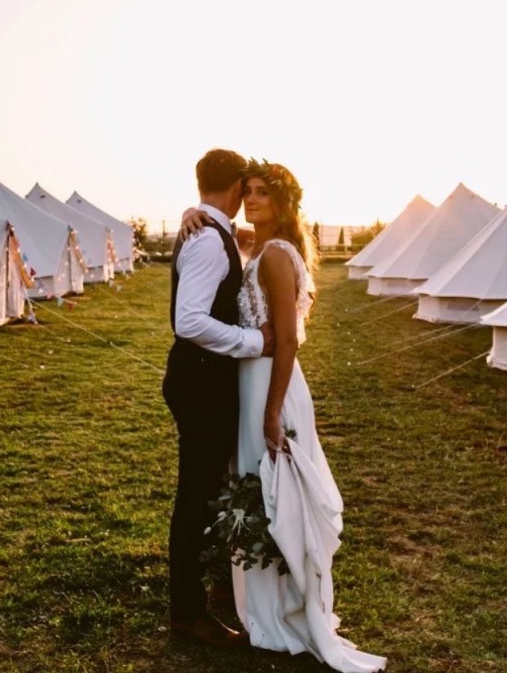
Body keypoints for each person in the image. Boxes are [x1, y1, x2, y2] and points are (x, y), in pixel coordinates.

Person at [229, 160, 387, 671]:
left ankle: (287, 607)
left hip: (271, 388)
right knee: (263, 488)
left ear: (282, 202)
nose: (251, 201)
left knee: (279, 492)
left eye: (261, 194)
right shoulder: (260, 246)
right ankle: (270, 602)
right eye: (247, 193)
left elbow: (289, 340)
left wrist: (272, 412)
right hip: (253, 383)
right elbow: (223, 227)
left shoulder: (275, 254)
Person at [162, 148, 274, 648]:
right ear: (234, 189)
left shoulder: (211, 231)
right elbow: (187, 322)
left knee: (206, 492)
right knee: (196, 498)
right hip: (201, 383)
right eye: (245, 190)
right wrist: (254, 343)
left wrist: (200, 212)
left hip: (204, 381)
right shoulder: (208, 241)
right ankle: (187, 612)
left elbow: (249, 238)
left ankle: (208, 589)